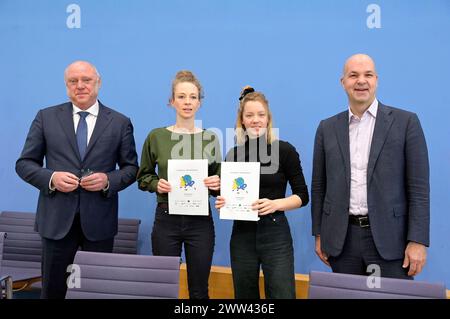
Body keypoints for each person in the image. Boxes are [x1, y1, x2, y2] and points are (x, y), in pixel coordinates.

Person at [15, 61, 139, 298]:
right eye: (73, 81)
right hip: (56, 223)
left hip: (99, 225)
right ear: (66, 85)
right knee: (53, 291)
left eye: (86, 80)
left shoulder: (120, 122)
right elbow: (24, 164)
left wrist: (107, 181)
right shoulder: (46, 117)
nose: (80, 85)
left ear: (98, 83)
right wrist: (51, 177)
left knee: (95, 292)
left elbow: (131, 168)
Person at [311, 54, 429, 279]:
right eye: (353, 75)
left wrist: (418, 240)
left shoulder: (406, 123)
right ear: (343, 82)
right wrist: (319, 233)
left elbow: (419, 189)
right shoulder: (326, 128)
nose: (361, 81)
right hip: (342, 242)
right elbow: (319, 186)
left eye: (368, 75)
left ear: (377, 79)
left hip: (391, 241)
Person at [215, 86, 309, 299]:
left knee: (282, 294)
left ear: (268, 119)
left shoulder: (284, 150)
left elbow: (302, 196)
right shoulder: (234, 154)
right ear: (242, 120)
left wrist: (275, 204)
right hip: (242, 235)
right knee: (244, 297)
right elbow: (229, 192)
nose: (255, 120)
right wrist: (224, 200)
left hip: (275, 234)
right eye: (249, 115)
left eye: (260, 114)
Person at [137, 70, 221, 299]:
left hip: (200, 222)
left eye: (193, 97)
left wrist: (216, 183)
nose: (187, 102)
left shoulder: (210, 138)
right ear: (171, 101)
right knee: (163, 287)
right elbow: (143, 176)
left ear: (199, 103)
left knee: (199, 290)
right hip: (167, 219)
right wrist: (157, 185)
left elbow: (218, 181)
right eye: (181, 96)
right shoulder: (156, 136)